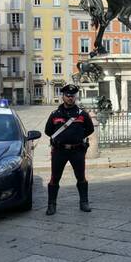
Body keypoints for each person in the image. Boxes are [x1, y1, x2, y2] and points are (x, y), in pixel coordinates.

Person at [44, 84, 95, 215]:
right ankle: (51, 205)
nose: (70, 98)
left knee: (81, 177)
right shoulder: (55, 114)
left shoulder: (82, 114)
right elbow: (48, 131)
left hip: (77, 151)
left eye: (72, 96)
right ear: (63, 97)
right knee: (55, 178)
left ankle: (84, 202)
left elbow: (90, 129)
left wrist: (77, 137)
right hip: (59, 151)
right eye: (67, 96)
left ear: (75, 97)